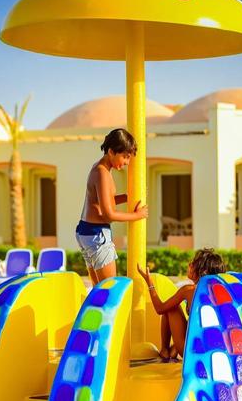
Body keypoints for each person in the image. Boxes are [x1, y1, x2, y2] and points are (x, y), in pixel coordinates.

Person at [76, 128, 148, 283]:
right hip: (96, 235)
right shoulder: (102, 173)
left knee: (99, 291)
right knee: (109, 291)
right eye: (125, 156)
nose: (127, 162)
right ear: (111, 152)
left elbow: (105, 201)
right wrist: (137, 216)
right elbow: (108, 214)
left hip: (86, 232)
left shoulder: (100, 169)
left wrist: (127, 197)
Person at [137, 248, 227, 362]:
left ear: (202, 271)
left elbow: (160, 309)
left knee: (171, 308)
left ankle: (164, 350)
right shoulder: (219, 293)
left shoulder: (189, 290)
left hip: (190, 351)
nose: (189, 264)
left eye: (193, 263)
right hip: (211, 351)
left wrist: (149, 282)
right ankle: (174, 348)